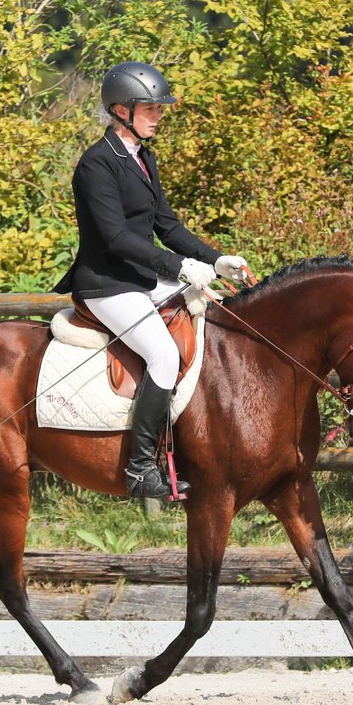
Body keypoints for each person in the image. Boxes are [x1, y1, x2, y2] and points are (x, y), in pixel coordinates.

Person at [53, 61, 249, 500]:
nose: (158, 116)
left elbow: (168, 225)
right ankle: (140, 469)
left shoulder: (142, 157)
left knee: (210, 314)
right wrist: (178, 267)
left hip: (140, 278)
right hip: (106, 283)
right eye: (150, 108)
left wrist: (216, 261)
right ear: (121, 110)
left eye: (159, 109)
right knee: (161, 355)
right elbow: (117, 238)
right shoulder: (96, 165)